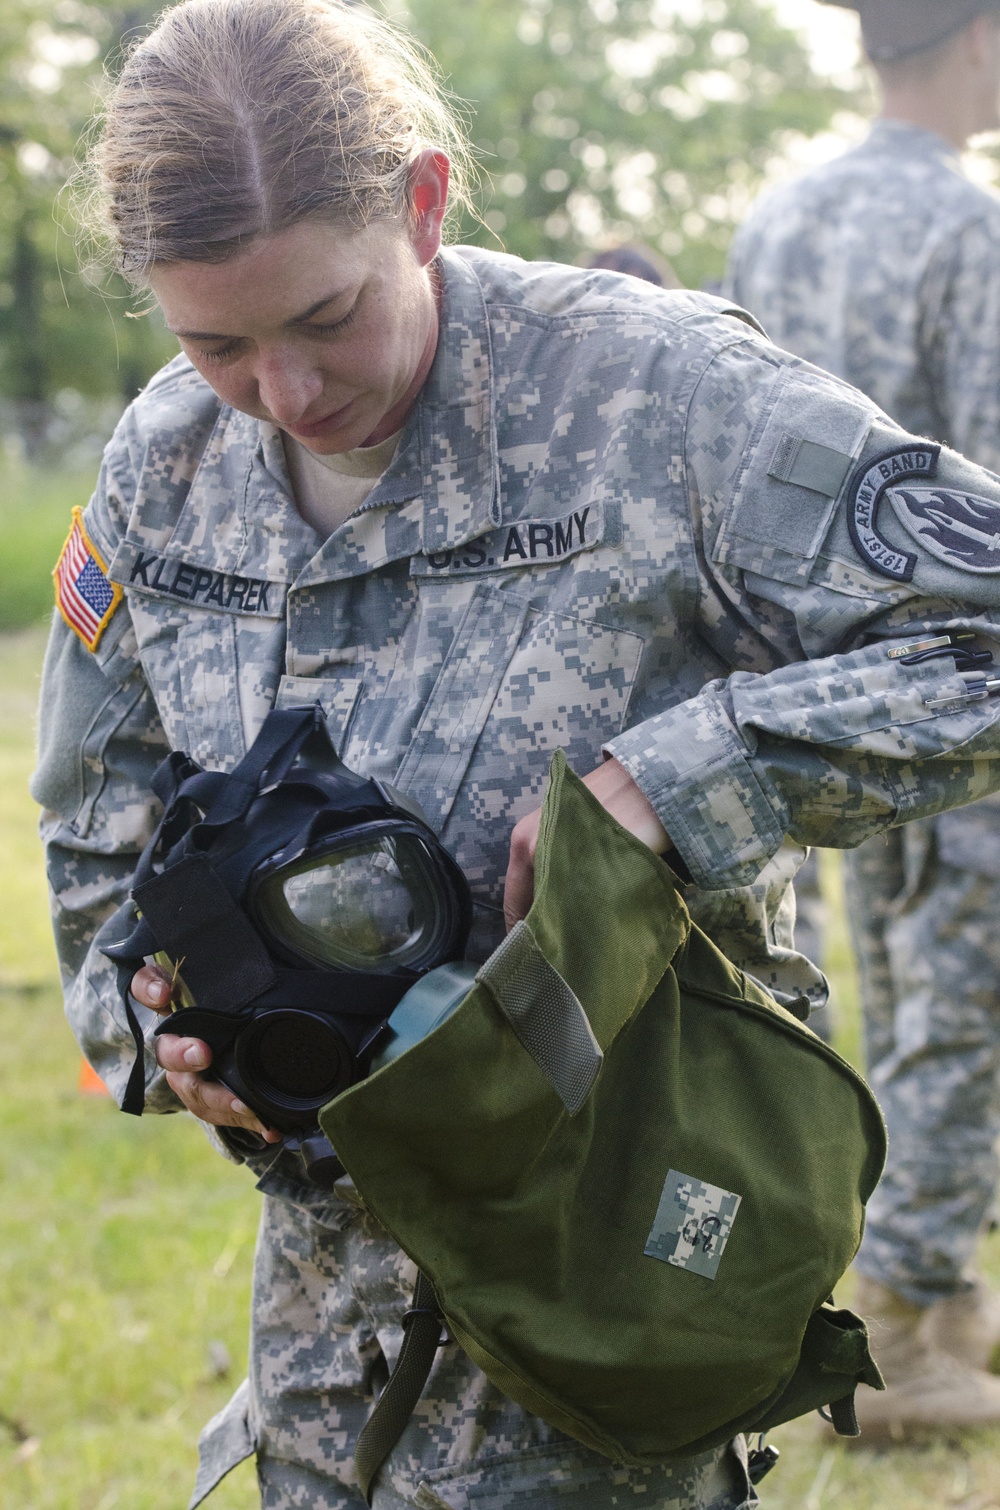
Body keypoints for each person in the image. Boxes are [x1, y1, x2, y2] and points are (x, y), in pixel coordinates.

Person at [32, 0, 1000, 1501]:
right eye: (216, 339)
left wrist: (693, 780)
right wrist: (159, 1041)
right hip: (321, 1371)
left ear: (421, 204)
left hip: (618, 1328)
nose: (285, 394)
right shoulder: (169, 464)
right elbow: (98, 828)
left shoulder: (656, 400)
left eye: (326, 316)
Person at [725, 0, 1000, 1436]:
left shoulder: (774, 221)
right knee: (967, 994)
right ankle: (898, 1322)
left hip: (814, 692)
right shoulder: (972, 229)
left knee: (892, 990)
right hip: (957, 683)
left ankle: (933, 1288)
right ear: (969, 41)